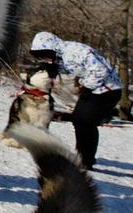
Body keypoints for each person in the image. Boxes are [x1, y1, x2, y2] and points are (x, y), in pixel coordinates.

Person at [30, 31, 122, 170]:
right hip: (96, 89)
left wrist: (85, 84)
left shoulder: (75, 51)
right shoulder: (60, 55)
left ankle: (85, 160)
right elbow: (69, 68)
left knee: (84, 121)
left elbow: (100, 71)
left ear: (51, 48)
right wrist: (48, 70)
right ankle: (83, 156)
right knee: (79, 120)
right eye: (41, 57)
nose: (45, 59)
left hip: (107, 89)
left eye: (45, 55)